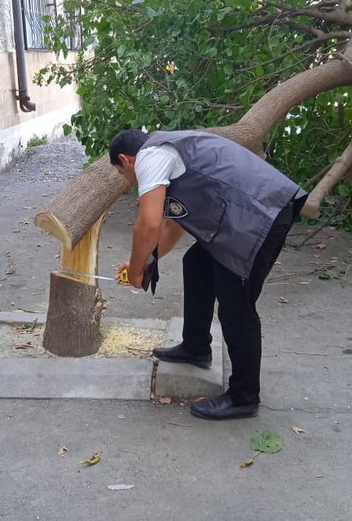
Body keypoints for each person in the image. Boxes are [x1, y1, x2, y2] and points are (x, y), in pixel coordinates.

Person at [110, 129, 306, 420]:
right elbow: (172, 227)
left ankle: (244, 396)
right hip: (249, 214)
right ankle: (196, 346)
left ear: (125, 160)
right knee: (197, 262)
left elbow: (148, 225)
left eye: (121, 173)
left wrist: (137, 270)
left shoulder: (150, 156)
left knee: (236, 304)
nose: (128, 181)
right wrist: (141, 263)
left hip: (260, 215)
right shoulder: (168, 153)